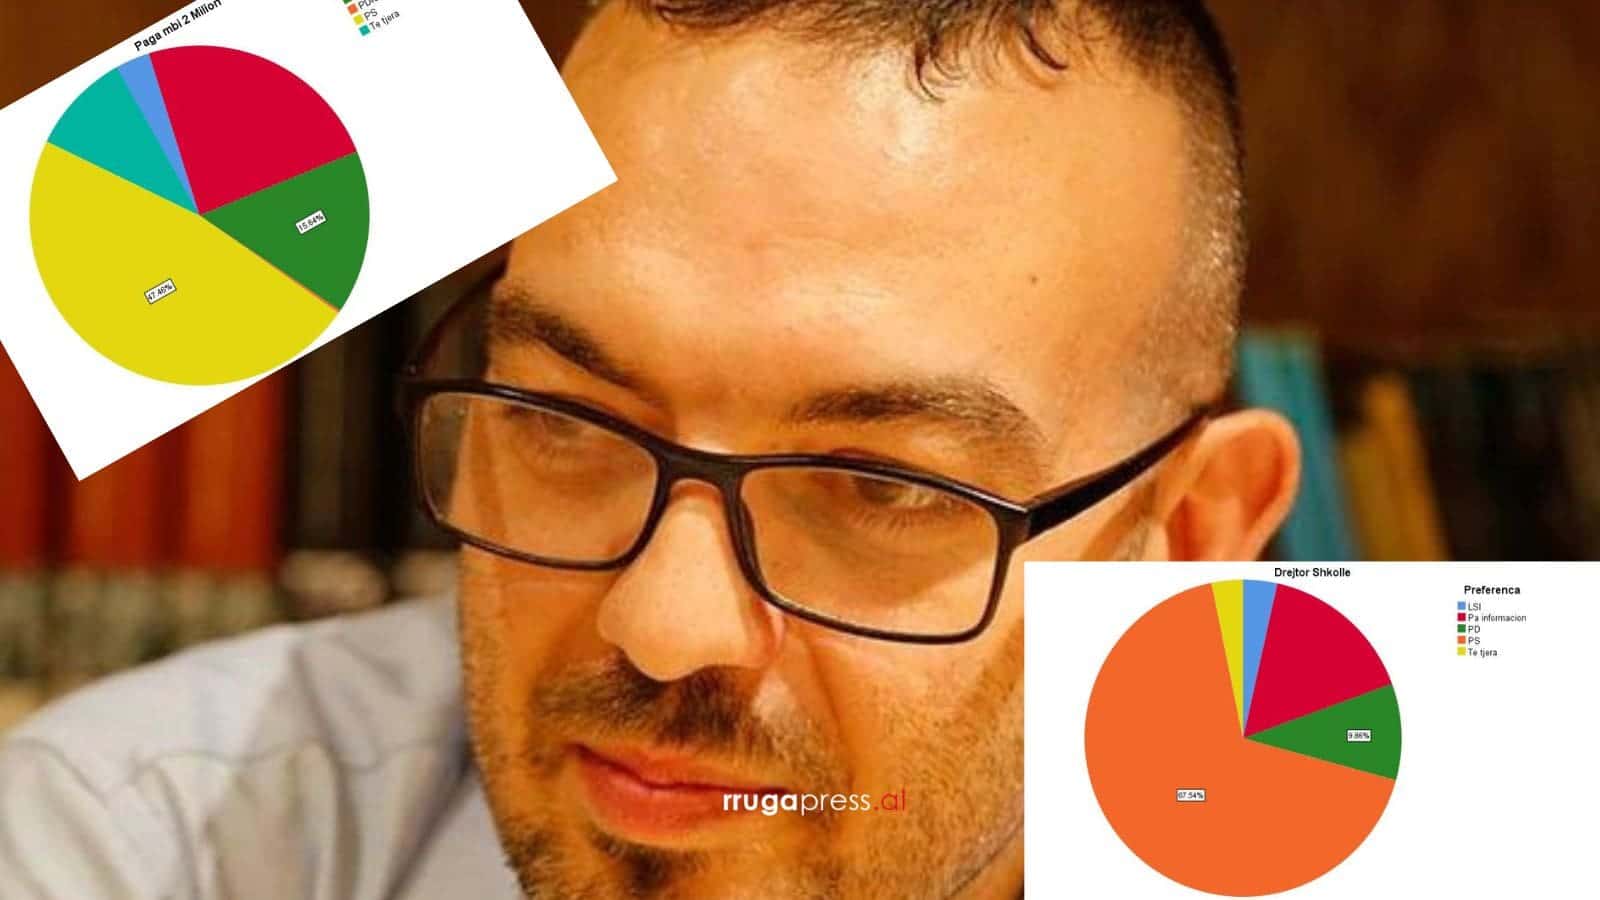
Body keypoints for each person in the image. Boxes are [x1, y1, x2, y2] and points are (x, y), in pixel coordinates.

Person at [0, 0, 1299, 897]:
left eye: (879, 486)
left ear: (1187, 540)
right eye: (564, 421)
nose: (663, 628)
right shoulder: (147, 839)